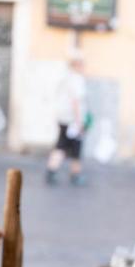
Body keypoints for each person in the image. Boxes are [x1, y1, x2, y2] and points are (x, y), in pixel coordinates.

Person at [46, 51, 88, 186]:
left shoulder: (66, 77)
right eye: (83, 64)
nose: (85, 66)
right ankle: (76, 175)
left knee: (61, 146)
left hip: (63, 118)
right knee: (76, 148)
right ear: (78, 64)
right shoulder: (77, 80)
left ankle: (51, 171)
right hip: (73, 121)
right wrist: (79, 122)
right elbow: (76, 102)